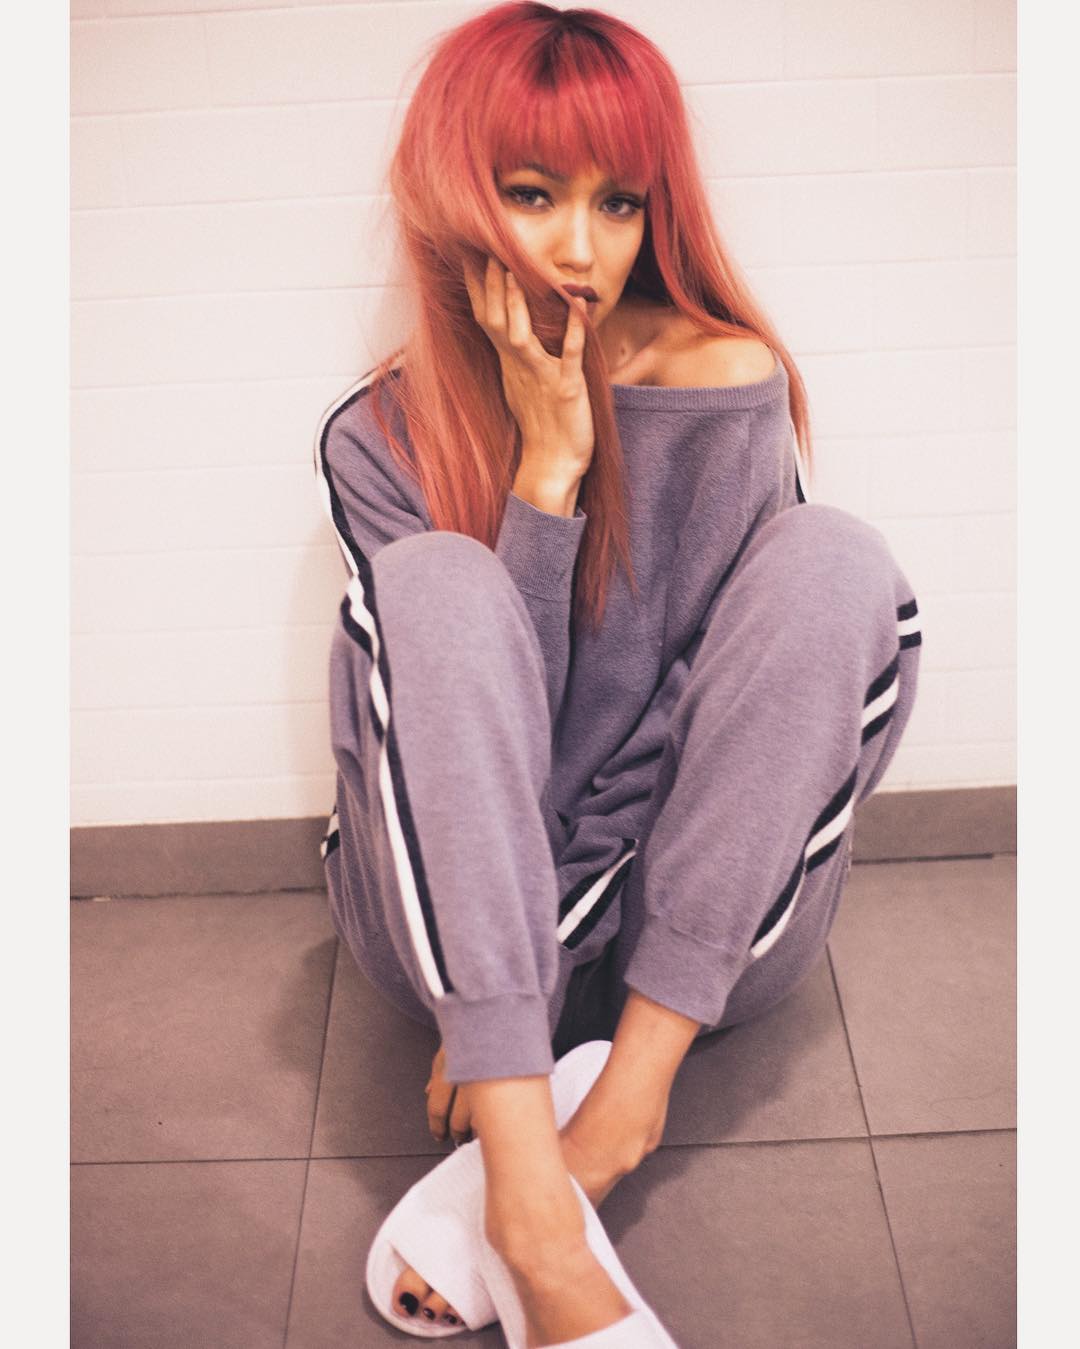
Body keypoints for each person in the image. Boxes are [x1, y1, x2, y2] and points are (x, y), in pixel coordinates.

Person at [313, 3, 922, 1343]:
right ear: (460, 194)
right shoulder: (378, 438)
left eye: (620, 202)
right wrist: (546, 474)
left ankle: (613, 1116)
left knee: (834, 560)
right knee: (438, 585)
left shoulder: (726, 384)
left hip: (688, 938)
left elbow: (718, 724)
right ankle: (536, 1210)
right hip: (451, 937)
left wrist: (586, 995)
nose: (582, 250)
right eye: (533, 195)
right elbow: (474, 748)